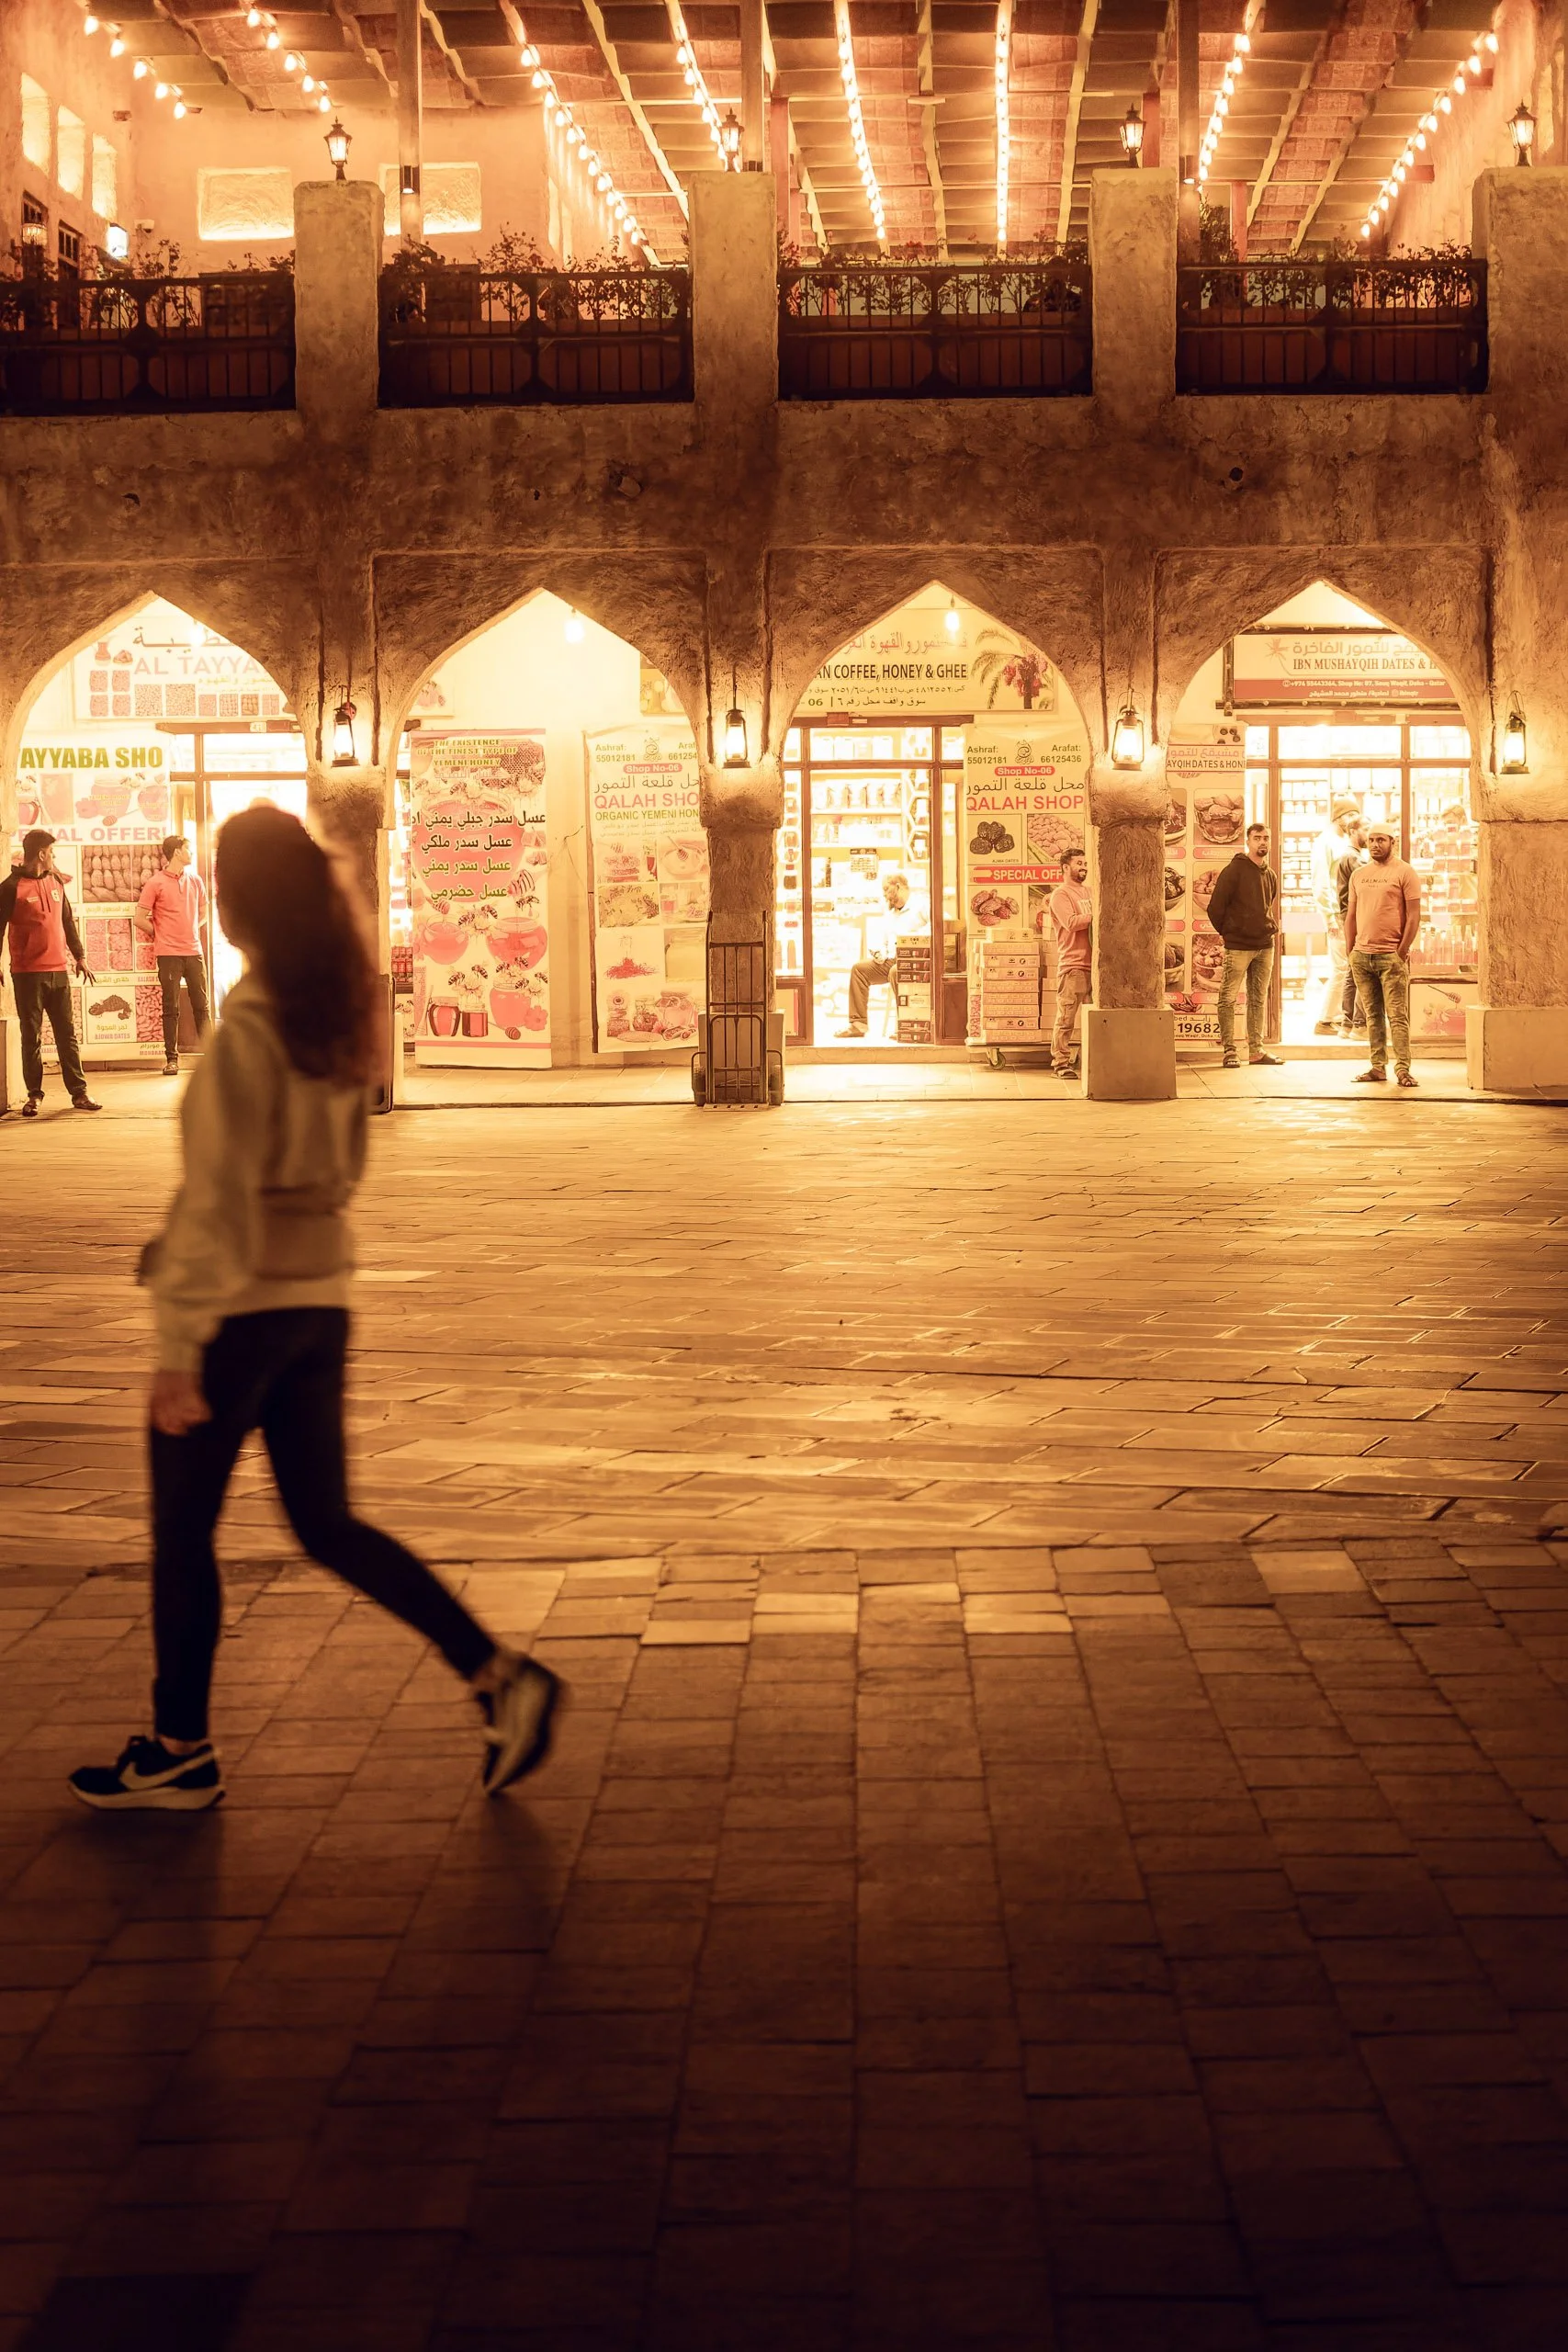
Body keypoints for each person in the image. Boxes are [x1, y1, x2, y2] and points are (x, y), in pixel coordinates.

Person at [69, 806, 559, 1812]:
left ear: (240, 905)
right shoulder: (334, 1018)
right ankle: (497, 1674)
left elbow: (215, 1201)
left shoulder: (249, 1028)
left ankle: (180, 1748)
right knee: (326, 1523)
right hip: (319, 1305)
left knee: (182, 1532)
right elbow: (336, 1170)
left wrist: (176, 1345)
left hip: (238, 1316)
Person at [0, 830, 100, 1118]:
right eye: (52, 852)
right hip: (27, 974)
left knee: (67, 1035)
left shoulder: (56, 881)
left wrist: (80, 957)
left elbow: (67, 920)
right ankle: (34, 1095)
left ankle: (79, 1093)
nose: (54, 857)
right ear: (42, 854)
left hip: (59, 972)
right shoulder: (10, 887)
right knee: (31, 1036)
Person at [1347, 824, 1421, 1088]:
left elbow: (1414, 916)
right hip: (1362, 956)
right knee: (1372, 1016)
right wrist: (1351, 950)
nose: (1375, 844)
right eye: (1371, 840)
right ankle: (1378, 1067)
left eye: (1381, 840)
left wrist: (1400, 952)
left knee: (1397, 1015)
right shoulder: (1359, 874)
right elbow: (1351, 915)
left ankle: (1403, 1069)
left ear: (1393, 842)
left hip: (1391, 956)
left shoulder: (1404, 872)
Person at [1204, 820, 1283, 1070]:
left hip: (1265, 945)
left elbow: (1267, 906)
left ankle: (1256, 1050)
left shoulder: (1270, 874)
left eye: (1266, 838)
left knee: (1258, 999)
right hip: (1238, 946)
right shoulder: (1234, 871)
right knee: (1228, 998)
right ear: (1248, 841)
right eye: (1257, 837)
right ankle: (1229, 1050)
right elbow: (1215, 908)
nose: (1262, 842)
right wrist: (1230, 933)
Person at [136, 833, 211, 1078]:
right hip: (168, 954)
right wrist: (161, 933)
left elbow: (204, 913)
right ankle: (171, 1060)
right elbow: (139, 919)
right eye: (188, 848)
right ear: (177, 851)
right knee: (171, 1007)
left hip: (194, 952)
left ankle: (212, 1061)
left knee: (202, 1006)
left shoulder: (196, 880)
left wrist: (191, 928)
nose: (191, 853)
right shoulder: (155, 882)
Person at [837, 870, 925, 1039]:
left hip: (915, 960)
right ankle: (858, 1025)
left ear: (897, 887)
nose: (884, 895)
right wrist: (880, 953)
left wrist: (914, 938)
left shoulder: (922, 905)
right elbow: (885, 942)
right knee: (859, 970)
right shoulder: (891, 914)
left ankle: (906, 1025)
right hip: (891, 960)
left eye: (886, 890)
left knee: (896, 972)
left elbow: (942, 923)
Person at [1312, 799, 1362, 1035]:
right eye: (1350, 814)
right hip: (1337, 915)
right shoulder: (1325, 842)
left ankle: (1340, 1017)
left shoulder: (1342, 841)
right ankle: (1326, 1019)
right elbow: (1321, 883)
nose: (1353, 818)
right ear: (1338, 816)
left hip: (1346, 913)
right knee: (1342, 967)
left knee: (1346, 967)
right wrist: (1330, 917)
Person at [1048, 845, 1091, 1078]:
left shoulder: (1090, 892)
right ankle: (1061, 1063)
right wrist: (1098, 916)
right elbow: (1072, 923)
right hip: (1073, 965)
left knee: (1095, 1020)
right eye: (1078, 863)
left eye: (1085, 863)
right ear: (1066, 867)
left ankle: (1090, 1061)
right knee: (1066, 1019)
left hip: (1096, 966)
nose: (1083, 867)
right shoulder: (1060, 895)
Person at [1333, 820, 1368, 1038]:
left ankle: (1348, 1023)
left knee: (1352, 969)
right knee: (1361, 967)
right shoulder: (1353, 857)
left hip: (1349, 916)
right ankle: (1359, 1023)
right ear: (1353, 831)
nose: (1370, 836)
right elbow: (1368, 881)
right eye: (1366, 830)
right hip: (1355, 916)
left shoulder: (1348, 855)